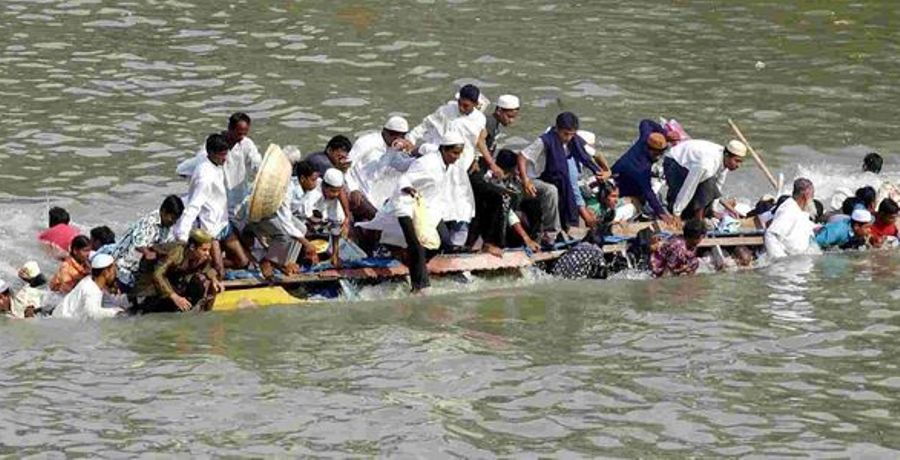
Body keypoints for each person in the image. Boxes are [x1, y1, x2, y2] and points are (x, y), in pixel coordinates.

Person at [358, 131, 465, 292]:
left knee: (442, 242)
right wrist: (408, 188)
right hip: (405, 205)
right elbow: (404, 179)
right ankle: (419, 286)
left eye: (459, 153)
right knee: (416, 244)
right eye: (454, 153)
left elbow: (423, 148)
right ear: (443, 149)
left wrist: (411, 146)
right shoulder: (428, 164)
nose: (457, 157)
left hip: (426, 208)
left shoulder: (442, 160)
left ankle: (411, 265)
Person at [408, 85, 491, 246]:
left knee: (462, 210)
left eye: (466, 105)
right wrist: (410, 140)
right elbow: (426, 125)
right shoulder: (447, 110)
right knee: (437, 206)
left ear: (475, 104)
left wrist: (475, 158)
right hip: (440, 165)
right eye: (460, 103)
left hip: (460, 170)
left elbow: (475, 142)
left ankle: (455, 249)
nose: (461, 107)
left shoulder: (480, 119)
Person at [173, 133, 250, 276]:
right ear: (211, 153)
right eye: (222, 155)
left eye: (226, 154)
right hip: (210, 230)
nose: (225, 159)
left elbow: (181, 169)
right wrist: (182, 237)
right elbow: (193, 207)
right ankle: (213, 267)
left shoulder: (207, 159)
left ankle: (211, 263)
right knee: (219, 270)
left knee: (243, 262)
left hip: (224, 224)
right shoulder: (204, 177)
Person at [518, 112, 602, 239]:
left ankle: (565, 226)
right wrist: (525, 180)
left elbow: (596, 155)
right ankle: (552, 233)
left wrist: (607, 171)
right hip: (531, 179)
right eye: (565, 134)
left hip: (543, 178)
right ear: (557, 129)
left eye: (572, 134)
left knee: (562, 186)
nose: (568, 138)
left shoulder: (572, 143)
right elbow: (522, 156)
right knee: (551, 190)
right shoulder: (544, 141)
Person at [242, 164, 322, 278]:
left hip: (280, 215)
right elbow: (286, 223)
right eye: (313, 180)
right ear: (303, 179)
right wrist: (306, 243)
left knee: (302, 228)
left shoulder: (307, 186)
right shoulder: (287, 190)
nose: (315, 183)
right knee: (284, 235)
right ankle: (267, 261)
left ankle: (287, 262)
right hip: (262, 215)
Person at [176, 112, 262, 217]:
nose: (242, 137)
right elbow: (182, 170)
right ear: (230, 128)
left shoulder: (247, 144)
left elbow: (257, 163)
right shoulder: (212, 148)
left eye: (245, 133)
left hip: (239, 200)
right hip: (218, 204)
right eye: (239, 133)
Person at [134, 229, 223, 313]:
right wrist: (174, 297)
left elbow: (207, 267)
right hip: (150, 279)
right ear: (192, 247)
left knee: (200, 283)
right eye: (204, 250)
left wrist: (214, 280)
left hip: (172, 277)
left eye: (208, 250)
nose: (207, 253)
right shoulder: (176, 253)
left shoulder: (202, 256)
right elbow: (157, 274)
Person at [345, 116, 415, 221]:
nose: (396, 138)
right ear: (384, 131)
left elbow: (401, 165)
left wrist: (420, 156)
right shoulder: (367, 142)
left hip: (372, 192)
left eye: (401, 136)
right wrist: (353, 189)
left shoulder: (392, 148)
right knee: (379, 221)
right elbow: (345, 166)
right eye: (393, 134)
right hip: (358, 191)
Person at [108, 195, 185, 290]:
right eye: (172, 218)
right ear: (164, 211)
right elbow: (139, 244)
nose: (174, 222)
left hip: (138, 270)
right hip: (123, 268)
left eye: (176, 219)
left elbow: (167, 243)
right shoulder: (149, 222)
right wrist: (148, 252)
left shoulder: (166, 226)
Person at [610, 120, 677, 225]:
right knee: (645, 201)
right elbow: (648, 193)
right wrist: (662, 214)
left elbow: (645, 122)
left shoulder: (645, 138)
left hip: (618, 175)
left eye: (661, 153)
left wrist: (665, 133)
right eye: (657, 154)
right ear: (650, 150)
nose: (658, 157)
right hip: (623, 188)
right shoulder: (642, 168)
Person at [664, 139, 747, 220]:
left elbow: (718, 185)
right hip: (675, 160)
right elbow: (689, 187)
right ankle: (682, 211)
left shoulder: (725, 161)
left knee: (708, 186)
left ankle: (703, 213)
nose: (738, 165)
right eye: (736, 161)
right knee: (683, 209)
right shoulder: (706, 165)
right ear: (727, 155)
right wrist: (677, 213)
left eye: (740, 162)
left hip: (694, 162)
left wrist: (713, 209)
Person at [52, 254, 123, 320]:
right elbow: (92, 313)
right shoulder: (91, 289)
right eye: (113, 271)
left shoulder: (90, 281)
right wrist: (115, 313)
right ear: (105, 272)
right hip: (61, 321)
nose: (115, 274)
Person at [764, 178, 818, 259]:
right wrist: (781, 259)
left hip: (800, 261)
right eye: (812, 195)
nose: (813, 198)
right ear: (805, 195)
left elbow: (800, 226)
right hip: (788, 263)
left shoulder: (801, 210)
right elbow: (770, 234)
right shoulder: (788, 209)